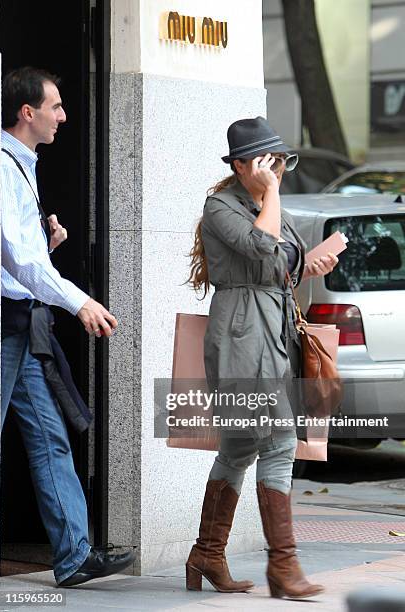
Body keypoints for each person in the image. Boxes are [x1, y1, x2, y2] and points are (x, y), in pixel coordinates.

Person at [186, 117, 338, 599]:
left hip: (271, 332)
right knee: (278, 441)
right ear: (240, 165)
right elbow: (260, 246)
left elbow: (279, 262)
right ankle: (283, 566)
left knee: (237, 448)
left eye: (282, 162)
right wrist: (270, 194)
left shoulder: (265, 203)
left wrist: (308, 264)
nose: (279, 171)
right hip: (241, 335)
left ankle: (206, 554)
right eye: (270, 162)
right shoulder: (221, 206)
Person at [0, 66, 134, 587]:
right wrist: (78, 302)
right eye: (55, 106)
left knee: (50, 436)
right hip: (4, 322)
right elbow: (20, 262)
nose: (63, 115)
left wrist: (43, 246)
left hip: (20, 322)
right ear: (26, 112)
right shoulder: (2, 165)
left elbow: (20, 256)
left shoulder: (21, 164)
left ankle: (73, 555)